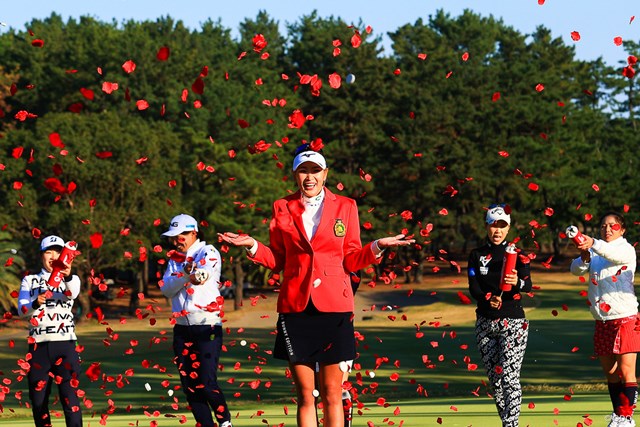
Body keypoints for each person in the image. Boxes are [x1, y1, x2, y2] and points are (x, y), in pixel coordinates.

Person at [218, 144, 414, 427]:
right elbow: (277, 259)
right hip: (296, 306)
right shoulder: (281, 206)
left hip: (334, 306)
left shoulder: (346, 206)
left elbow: (351, 259)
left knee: (333, 393)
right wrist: (252, 246)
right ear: (295, 175)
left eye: (315, 171)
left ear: (325, 174)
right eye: (303, 171)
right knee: (305, 394)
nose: (309, 177)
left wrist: (376, 247)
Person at [160, 214, 232, 427]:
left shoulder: (207, 251)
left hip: (206, 324)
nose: (176, 241)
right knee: (190, 385)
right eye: (173, 237)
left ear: (193, 233)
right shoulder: (175, 260)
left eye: (181, 235)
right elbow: (166, 289)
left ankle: (225, 422)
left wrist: (194, 274)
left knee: (207, 382)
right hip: (182, 329)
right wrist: (184, 274)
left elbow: (204, 274)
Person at [569, 212, 639, 427]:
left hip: (625, 317)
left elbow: (613, 256)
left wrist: (593, 243)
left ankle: (627, 417)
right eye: (603, 226)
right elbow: (575, 270)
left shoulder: (625, 249)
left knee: (626, 370)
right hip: (603, 319)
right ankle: (618, 415)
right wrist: (584, 257)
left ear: (622, 229)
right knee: (610, 372)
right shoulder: (597, 251)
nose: (607, 229)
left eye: (613, 226)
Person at [467, 205, 532, 427]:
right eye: (493, 225)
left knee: (510, 378)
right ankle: (506, 422)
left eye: (502, 226)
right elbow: (473, 288)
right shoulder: (476, 255)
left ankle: (511, 424)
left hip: (513, 321)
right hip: (485, 323)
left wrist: (517, 283)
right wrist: (488, 299)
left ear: (508, 228)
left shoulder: (518, 255)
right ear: (486, 226)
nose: (497, 230)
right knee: (496, 380)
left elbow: (527, 284)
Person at [18, 235, 83, 427]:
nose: (53, 256)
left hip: (66, 345)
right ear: (41, 256)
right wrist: (34, 303)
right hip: (38, 347)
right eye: (49, 252)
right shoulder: (30, 280)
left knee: (70, 399)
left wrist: (67, 274)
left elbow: (73, 293)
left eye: (58, 251)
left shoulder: (71, 278)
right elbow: (21, 310)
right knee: (39, 402)